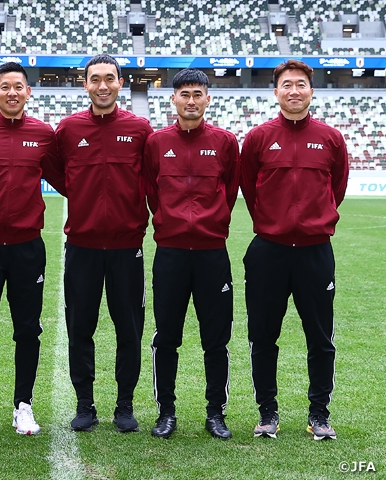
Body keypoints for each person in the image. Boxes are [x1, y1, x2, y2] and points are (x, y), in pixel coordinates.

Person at [240, 59, 349, 441]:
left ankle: (319, 414)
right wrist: (275, 223)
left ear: (311, 91)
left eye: (301, 84)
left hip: (315, 252)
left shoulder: (332, 138)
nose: (294, 91)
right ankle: (267, 413)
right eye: (286, 84)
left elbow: (337, 188)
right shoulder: (257, 138)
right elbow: (250, 191)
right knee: (264, 335)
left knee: (320, 338)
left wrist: (309, 223)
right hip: (268, 251)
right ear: (276, 92)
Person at [0, 62, 63, 436]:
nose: (13, 93)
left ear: (28, 92)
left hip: (27, 248)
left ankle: (24, 406)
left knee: (28, 330)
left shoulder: (43, 134)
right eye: (5, 87)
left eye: (19, 86)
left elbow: (68, 180)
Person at [52, 53, 153, 432]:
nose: (103, 85)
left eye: (109, 78)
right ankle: (85, 404)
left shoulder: (140, 129)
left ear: (120, 83)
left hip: (128, 247)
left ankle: (124, 405)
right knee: (80, 329)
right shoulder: (68, 129)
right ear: (85, 84)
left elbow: (151, 177)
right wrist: (82, 196)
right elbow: (57, 172)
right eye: (95, 79)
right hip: (83, 247)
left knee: (129, 329)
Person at [143, 69, 240, 440]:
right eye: (184, 94)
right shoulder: (156, 143)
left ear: (207, 99)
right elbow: (151, 190)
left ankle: (215, 413)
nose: (191, 100)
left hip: (212, 253)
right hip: (170, 254)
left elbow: (229, 190)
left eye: (198, 94)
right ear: (173, 99)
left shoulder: (225, 142)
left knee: (215, 339)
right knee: (167, 336)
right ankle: (166, 412)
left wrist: (209, 223)